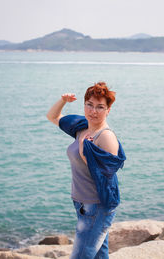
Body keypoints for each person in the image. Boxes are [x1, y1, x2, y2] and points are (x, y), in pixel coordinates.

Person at [46, 82, 126, 259]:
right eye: (89, 105)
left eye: (100, 107)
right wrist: (63, 101)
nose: (93, 111)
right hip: (81, 202)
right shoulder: (81, 127)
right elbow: (52, 116)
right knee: (99, 255)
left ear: (108, 110)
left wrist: (84, 154)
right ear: (84, 105)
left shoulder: (105, 136)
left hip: (96, 206)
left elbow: (107, 174)